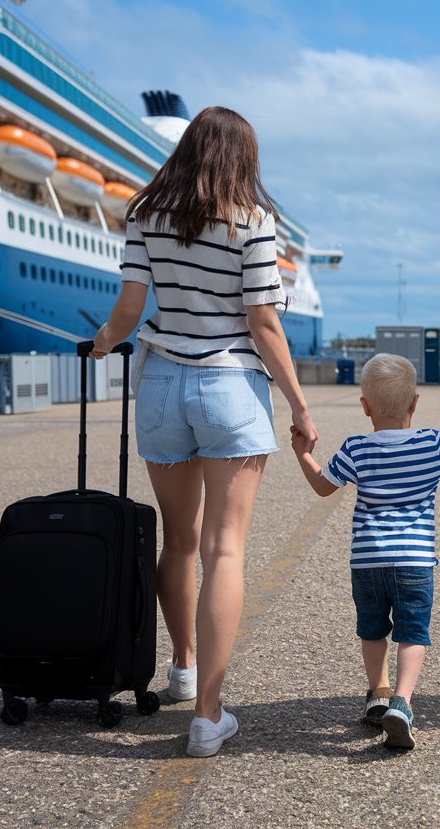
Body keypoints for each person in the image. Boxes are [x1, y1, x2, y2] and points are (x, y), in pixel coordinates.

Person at [91, 106, 317, 757]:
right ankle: (208, 716)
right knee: (225, 549)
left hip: (161, 383)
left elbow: (129, 312)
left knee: (180, 542)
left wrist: (104, 343)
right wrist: (300, 405)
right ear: (242, 157)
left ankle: (184, 667)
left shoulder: (144, 215)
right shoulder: (251, 220)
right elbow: (264, 323)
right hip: (230, 388)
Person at [290, 354, 440, 750]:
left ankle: (378, 693)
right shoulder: (433, 444)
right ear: (414, 403)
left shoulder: (357, 448)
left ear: (365, 406)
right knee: (413, 632)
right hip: (415, 561)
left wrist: (303, 452)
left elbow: (322, 486)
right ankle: (402, 701)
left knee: (372, 629)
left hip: (367, 560)